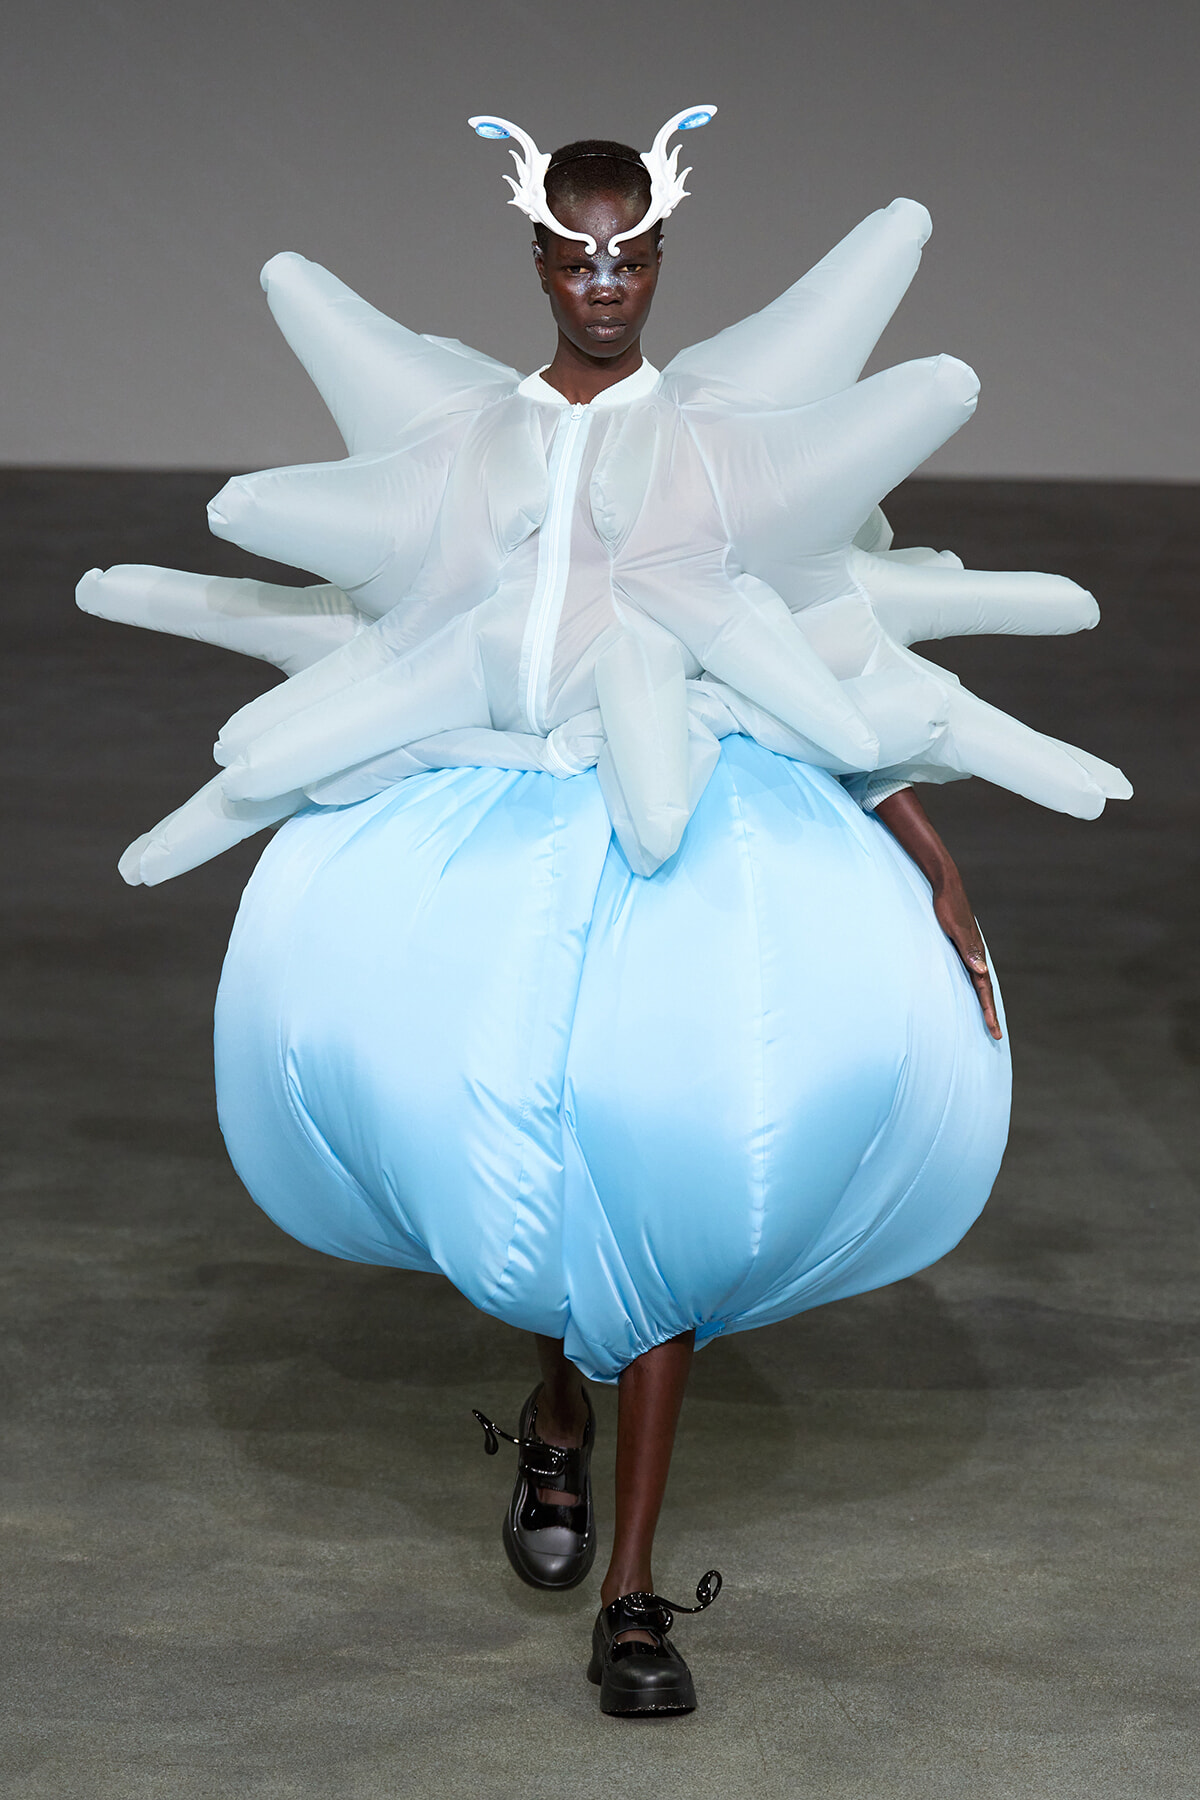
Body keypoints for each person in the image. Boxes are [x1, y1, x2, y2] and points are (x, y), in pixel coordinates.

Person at [78, 109, 1128, 1718]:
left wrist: (928, 847)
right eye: (577, 256)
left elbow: (803, 651)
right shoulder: (472, 444)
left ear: (660, 257)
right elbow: (412, 627)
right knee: (528, 1142)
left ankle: (632, 1592)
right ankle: (555, 1409)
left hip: (691, 826)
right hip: (499, 826)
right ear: (539, 260)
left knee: (667, 1159)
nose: (605, 281)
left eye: (630, 254)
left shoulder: (709, 444)